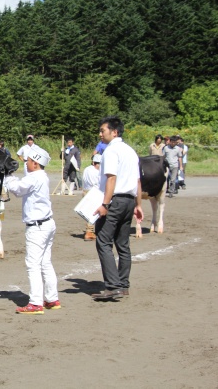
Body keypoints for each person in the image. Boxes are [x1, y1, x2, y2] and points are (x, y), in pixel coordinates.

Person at [91, 116, 143, 301]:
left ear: (114, 132)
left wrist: (105, 204)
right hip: (129, 200)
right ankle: (123, 284)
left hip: (116, 200)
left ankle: (113, 286)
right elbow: (137, 181)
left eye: (102, 130)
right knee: (123, 244)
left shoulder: (111, 151)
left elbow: (111, 178)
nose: (100, 134)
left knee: (103, 240)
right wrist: (138, 204)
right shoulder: (131, 151)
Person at [3, 145, 59, 314]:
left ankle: (35, 302)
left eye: (28, 161)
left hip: (37, 227)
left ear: (35, 163)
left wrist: (7, 176)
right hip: (47, 224)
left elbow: (17, 189)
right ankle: (51, 298)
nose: (25, 164)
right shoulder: (42, 176)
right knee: (45, 263)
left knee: (33, 264)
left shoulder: (34, 177)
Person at [81, 154, 102, 240]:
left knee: (90, 212)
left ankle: (92, 231)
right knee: (93, 213)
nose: (99, 166)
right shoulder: (96, 172)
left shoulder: (87, 169)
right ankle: (89, 232)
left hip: (85, 191)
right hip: (93, 192)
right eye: (98, 164)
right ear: (94, 163)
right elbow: (98, 184)